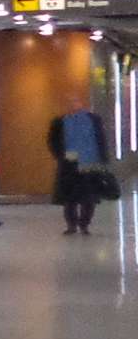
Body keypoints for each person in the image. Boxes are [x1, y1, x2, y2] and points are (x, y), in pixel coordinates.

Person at [49, 94, 110, 236]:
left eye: (75, 101)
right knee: (69, 196)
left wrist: (103, 159)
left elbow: (101, 138)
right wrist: (61, 155)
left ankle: (84, 224)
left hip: (90, 161)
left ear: (81, 103)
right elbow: (53, 141)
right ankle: (71, 224)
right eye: (70, 102)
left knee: (89, 196)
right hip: (69, 163)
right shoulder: (60, 122)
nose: (73, 105)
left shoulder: (93, 119)